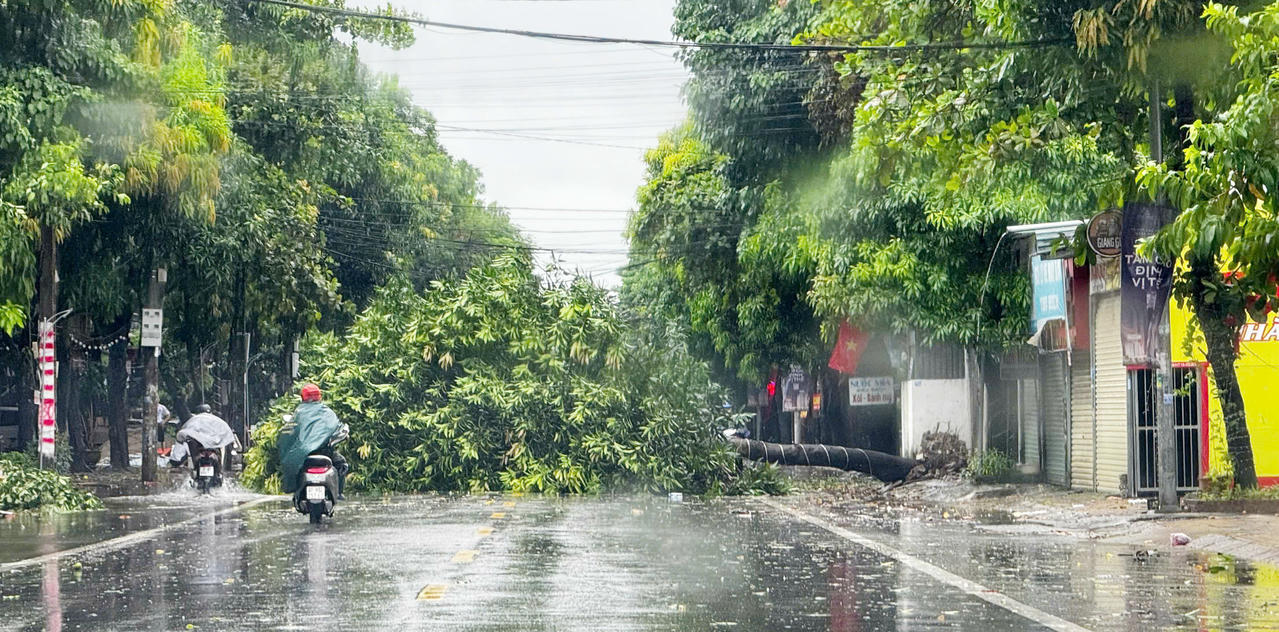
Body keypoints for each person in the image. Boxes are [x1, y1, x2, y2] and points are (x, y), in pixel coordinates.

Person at [278, 384, 348, 499]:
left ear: (302, 397)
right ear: (319, 396)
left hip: (302, 456)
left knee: (290, 464)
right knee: (342, 464)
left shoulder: (298, 414)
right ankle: (339, 493)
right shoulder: (327, 412)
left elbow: (287, 436)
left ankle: (295, 491)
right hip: (325, 453)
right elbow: (337, 428)